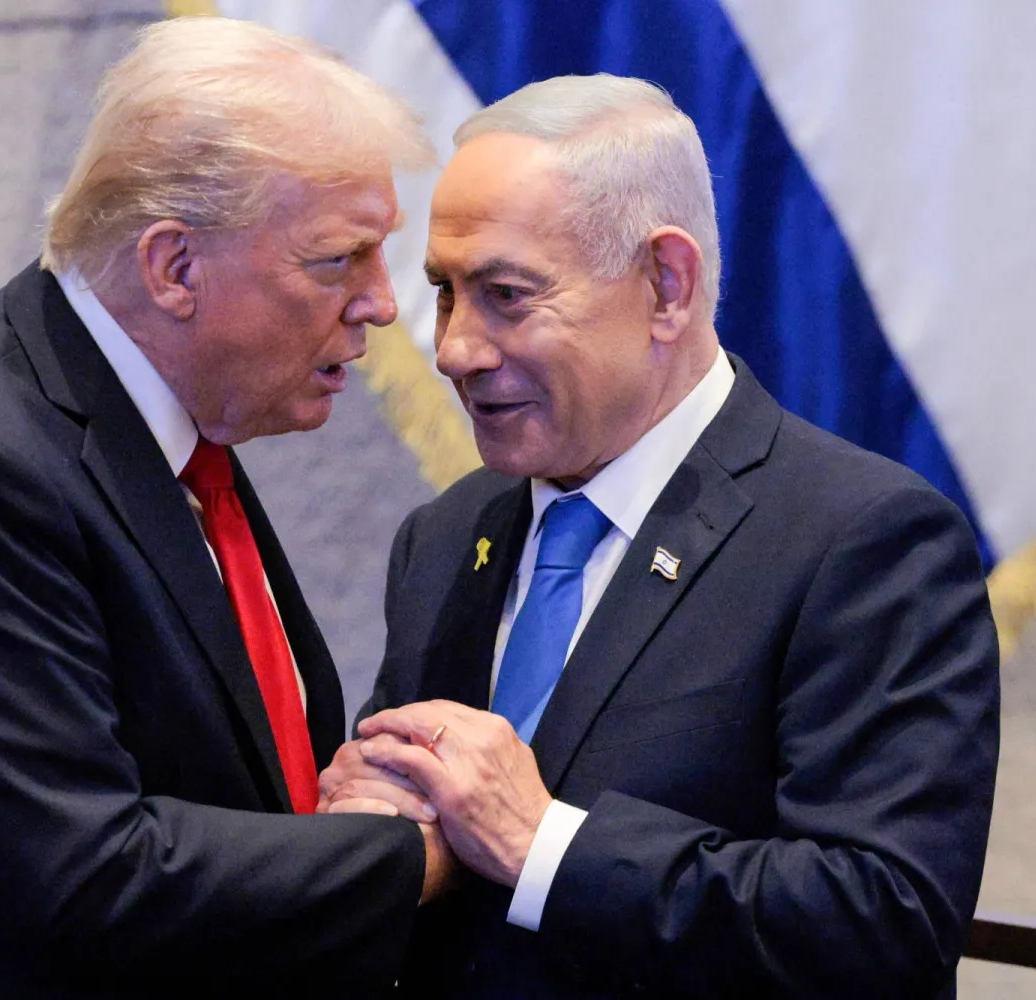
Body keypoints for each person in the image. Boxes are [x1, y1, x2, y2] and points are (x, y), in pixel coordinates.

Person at [0, 17, 450, 999]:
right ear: (173, 267)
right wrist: (415, 852)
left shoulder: (164, 429)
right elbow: (90, 872)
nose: (380, 304)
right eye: (336, 260)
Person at [319, 74, 999, 999]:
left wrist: (542, 843)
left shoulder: (862, 543)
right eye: (445, 293)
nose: (456, 349)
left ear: (665, 286)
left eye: (506, 295)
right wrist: (376, 828)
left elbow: (883, 923)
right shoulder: (445, 538)